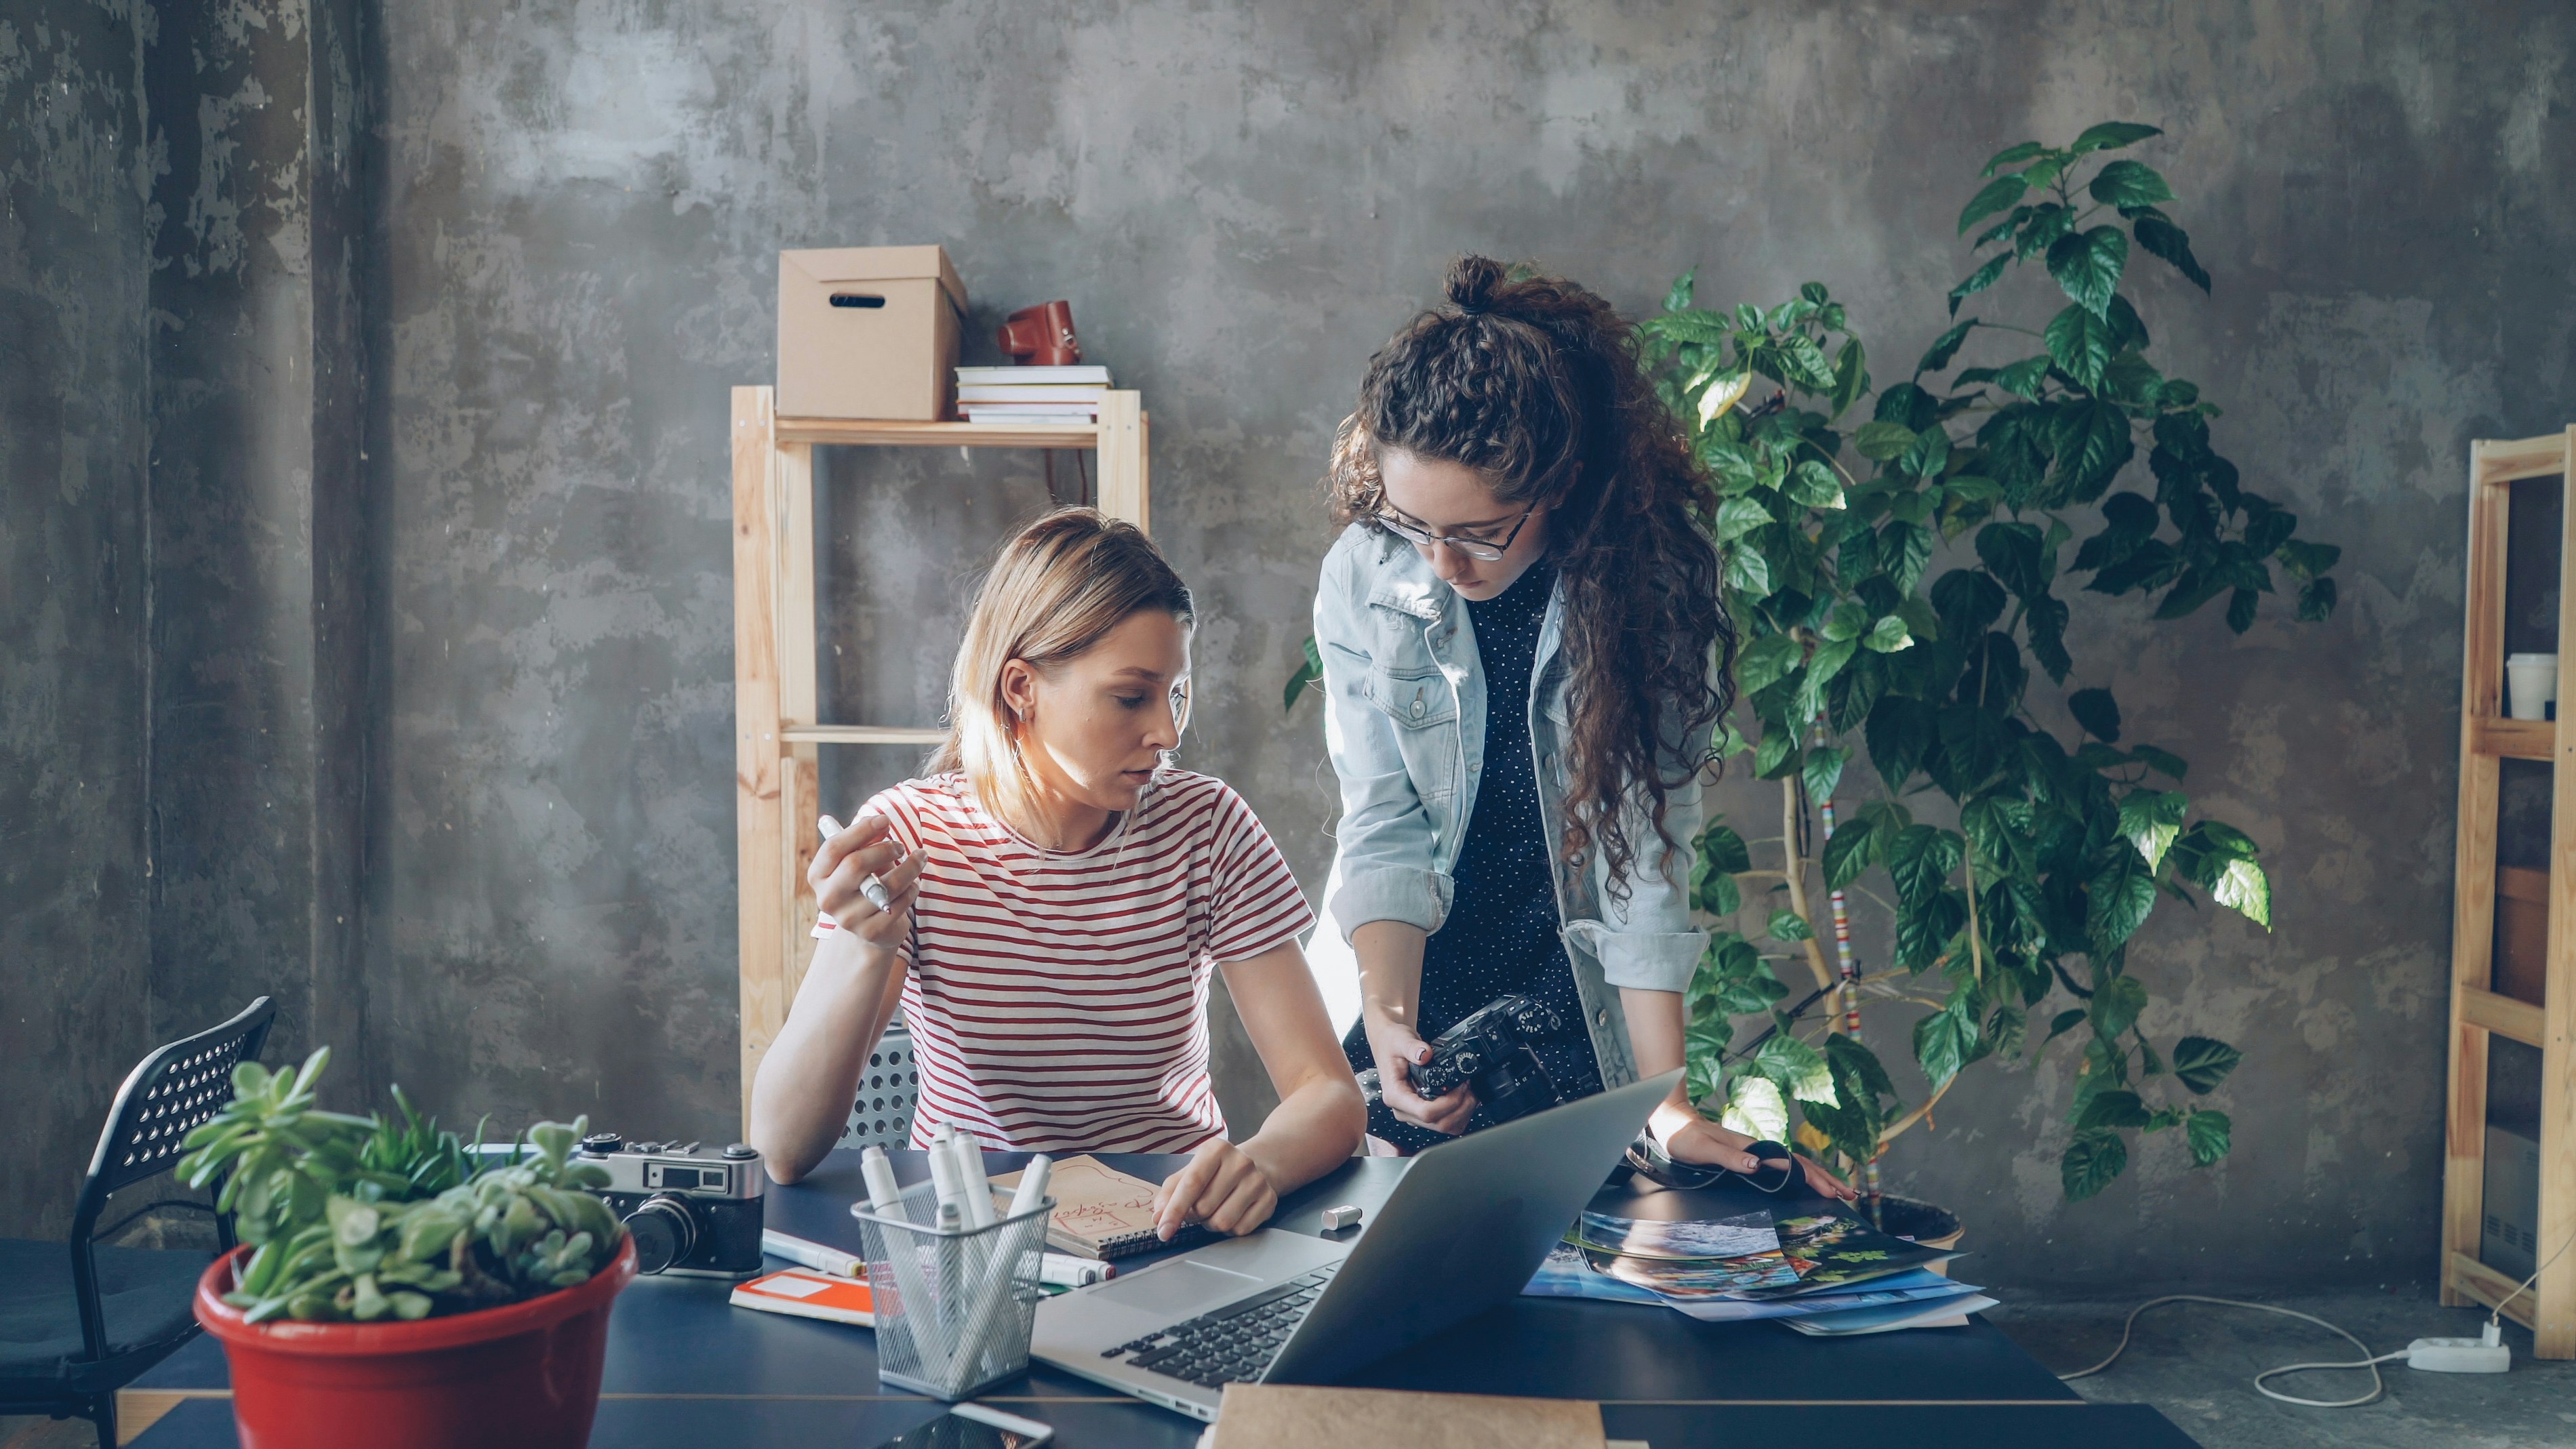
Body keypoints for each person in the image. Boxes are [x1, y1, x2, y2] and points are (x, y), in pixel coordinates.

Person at [1311, 256, 1853, 1198]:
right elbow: (1383, 817)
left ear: (1559, 483)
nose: (1441, 563)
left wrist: (1663, 1101)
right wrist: (1389, 1016)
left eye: (1478, 531)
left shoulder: (1651, 589)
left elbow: (1647, 852)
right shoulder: (1364, 573)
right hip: (1409, 988)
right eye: (1409, 521)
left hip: (1569, 1009)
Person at [750, 509, 1365, 1239]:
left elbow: (1328, 1091)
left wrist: (1260, 1163)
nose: (1167, 734)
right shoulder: (911, 838)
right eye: (1131, 696)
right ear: (1021, 688)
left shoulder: (1206, 826)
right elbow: (781, 1149)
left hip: (1164, 1229)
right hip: (973, 1243)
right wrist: (864, 945)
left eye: (1176, 694)